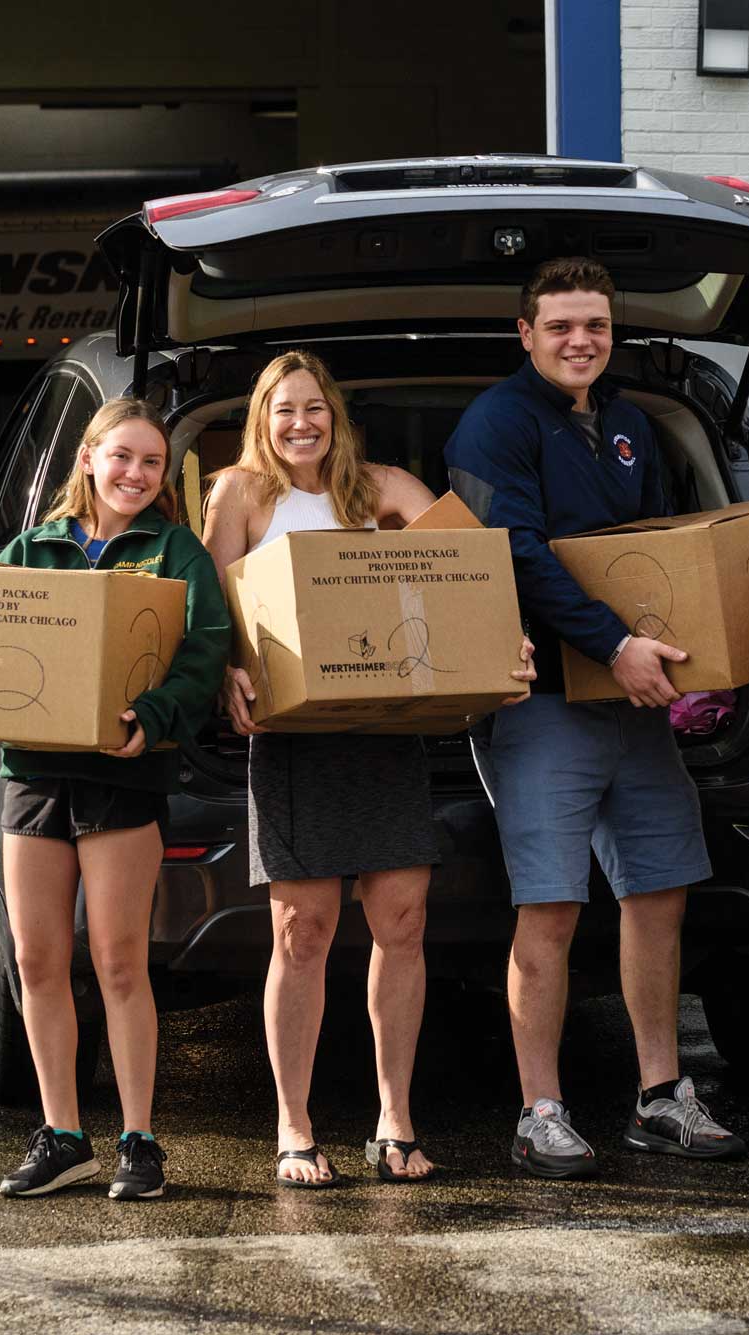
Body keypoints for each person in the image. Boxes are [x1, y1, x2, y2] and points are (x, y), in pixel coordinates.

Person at [203, 349, 536, 1188]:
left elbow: (468, 571)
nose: (301, 424)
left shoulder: (382, 487)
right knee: (302, 930)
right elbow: (210, 606)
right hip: (291, 738)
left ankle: (394, 1118)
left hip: (384, 733)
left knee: (403, 921)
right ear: (261, 419)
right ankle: (294, 1123)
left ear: (336, 415)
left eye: (315, 407)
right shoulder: (239, 493)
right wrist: (223, 672)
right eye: (284, 410)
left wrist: (504, 640)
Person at [444, 256, 745, 1180]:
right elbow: (518, 557)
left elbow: (654, 553)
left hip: (637, 701)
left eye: (596, 327)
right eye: (563, 326)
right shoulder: (495, 424)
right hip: (542, 702)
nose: (582, 341)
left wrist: (689, 655)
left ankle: (660, 1097)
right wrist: (616, 644)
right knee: (552, 904)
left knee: (658, 891)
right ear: (525, 334)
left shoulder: (628, 424)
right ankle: (541, 1109)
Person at [0, 397, 232, 1202]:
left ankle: (140, 1141)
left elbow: (205, 652)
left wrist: (152, 720)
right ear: (89, 458)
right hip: (36, 776)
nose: (136, 474)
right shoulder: (30, 549)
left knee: (119, 962)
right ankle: (64, 1135)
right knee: (36, 959)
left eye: (151, 462)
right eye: (122, 456)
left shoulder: (177, 551)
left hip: (123, 775)